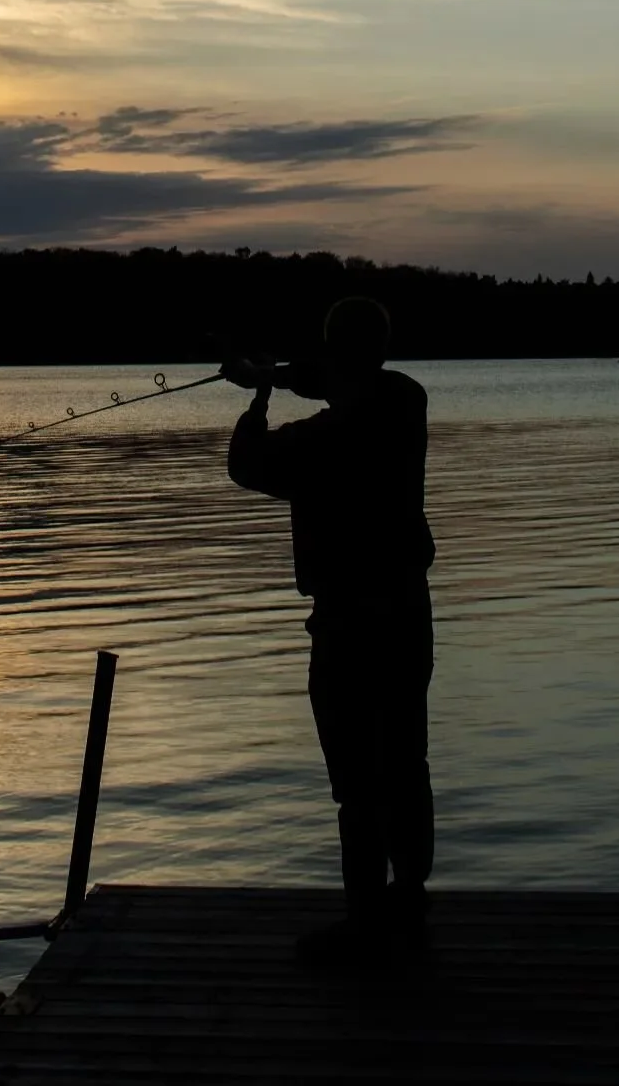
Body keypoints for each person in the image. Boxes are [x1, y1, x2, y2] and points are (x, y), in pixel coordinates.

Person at [223, 295, 434, 967]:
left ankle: (367, 919)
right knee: (403, 759)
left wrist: (257, 398)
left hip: (348, 623)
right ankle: (409, 893)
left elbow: (246, 464)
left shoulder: (317, 443)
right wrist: (278, 373)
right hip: (407, 614)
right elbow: (341, 379)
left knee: (356, 778)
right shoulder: (405, 403)